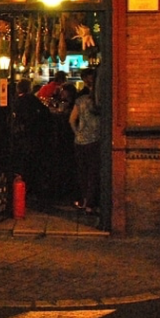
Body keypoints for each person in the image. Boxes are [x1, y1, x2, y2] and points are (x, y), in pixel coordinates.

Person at [10, 79, 51, 204]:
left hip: (20, 138)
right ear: (29, 88)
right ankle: (33, 190)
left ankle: (22, 189)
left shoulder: (16, 102)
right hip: (34, 137)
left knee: (23, 163)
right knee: (33, 164)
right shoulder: (33, 100)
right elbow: (46, 113)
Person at [69, 68, 101, 213]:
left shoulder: (80, 100)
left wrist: (78, 133)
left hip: (80, 141)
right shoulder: (99, 101)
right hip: (95, 140)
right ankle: (91, 204)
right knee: (94, 172)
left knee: (82, 172)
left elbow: (71, 120)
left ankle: (84, 200)